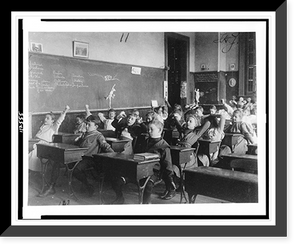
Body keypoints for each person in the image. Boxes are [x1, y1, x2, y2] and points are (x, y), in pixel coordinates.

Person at [38, 114, 114, 198]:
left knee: (75, 169)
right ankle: (51, 188)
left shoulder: (99, 136)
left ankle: (88, 186)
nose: (87, 126)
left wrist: (114, 155)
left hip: (89, 159)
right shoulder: (84, 134)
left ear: (96, 126)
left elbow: (106, 146)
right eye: (86, 124)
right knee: (57, 161)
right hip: (77, 156)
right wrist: (77, 139)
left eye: (89, 125)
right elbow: (77, 146)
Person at [110, 118, 176, 204]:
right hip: (139, 168)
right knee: (118, 179)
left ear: (159, 130)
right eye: (148, 129)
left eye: (152, 129)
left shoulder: (164, 146)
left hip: (154, 172)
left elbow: (168, 165)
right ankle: (119, 199)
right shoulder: (144, 141)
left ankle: (146, 204)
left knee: (148, 184)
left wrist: (170, 181)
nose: (149, 131)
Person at [28, 105, 70, 172]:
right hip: (36, 142)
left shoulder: (53, 127)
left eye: (48, 118)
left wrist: (65, 110)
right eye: (45, 118)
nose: (45, 119)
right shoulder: (43, 126)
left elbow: (60, 120)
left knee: (32, 154)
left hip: (43, 145)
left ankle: (32, 170)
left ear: (52, 120)